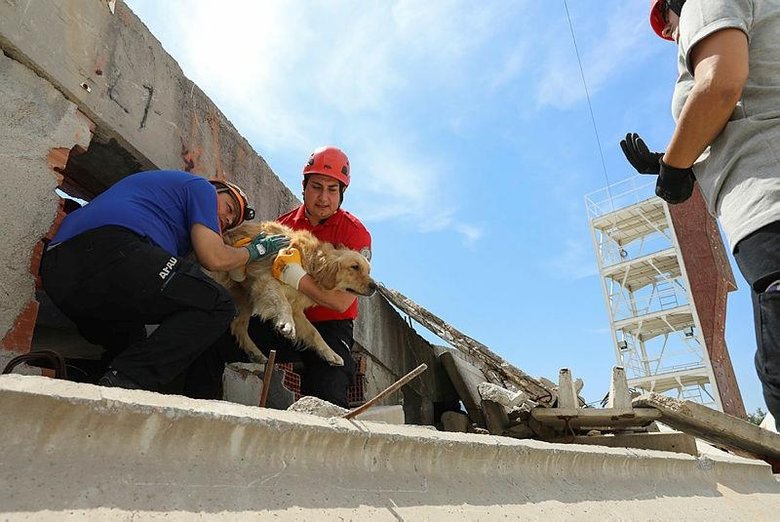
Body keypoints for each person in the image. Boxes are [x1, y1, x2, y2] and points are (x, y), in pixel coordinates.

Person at [620, 0, 780, 429]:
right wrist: (675, 158)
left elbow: (721, 84)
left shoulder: (702, 3)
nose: (671, 32)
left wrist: (673, 170)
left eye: (667, 22)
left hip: (770, 202)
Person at [39, 170, 289, 397]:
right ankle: (124, 386)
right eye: (230, 207)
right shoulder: (200, 187)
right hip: (110, 247)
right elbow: (214, 257)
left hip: (60, 276)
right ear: (217, 189)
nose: (227, 218)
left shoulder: (165, 213)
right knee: (216, 304)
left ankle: (87, 385)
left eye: (232, 222)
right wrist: (253, 251)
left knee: (132, 343)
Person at [221, 146, 372, 408]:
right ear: (304, 187)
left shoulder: (355, 232)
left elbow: (340, 303)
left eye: (332, 189)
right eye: (316, 187)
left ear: (342, 194)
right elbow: (261, 278)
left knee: (329, 389)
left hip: (331, 325)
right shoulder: (285, 223)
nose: (323, 197)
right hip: (279, 312)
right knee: (215, 343)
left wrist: (295, 277)